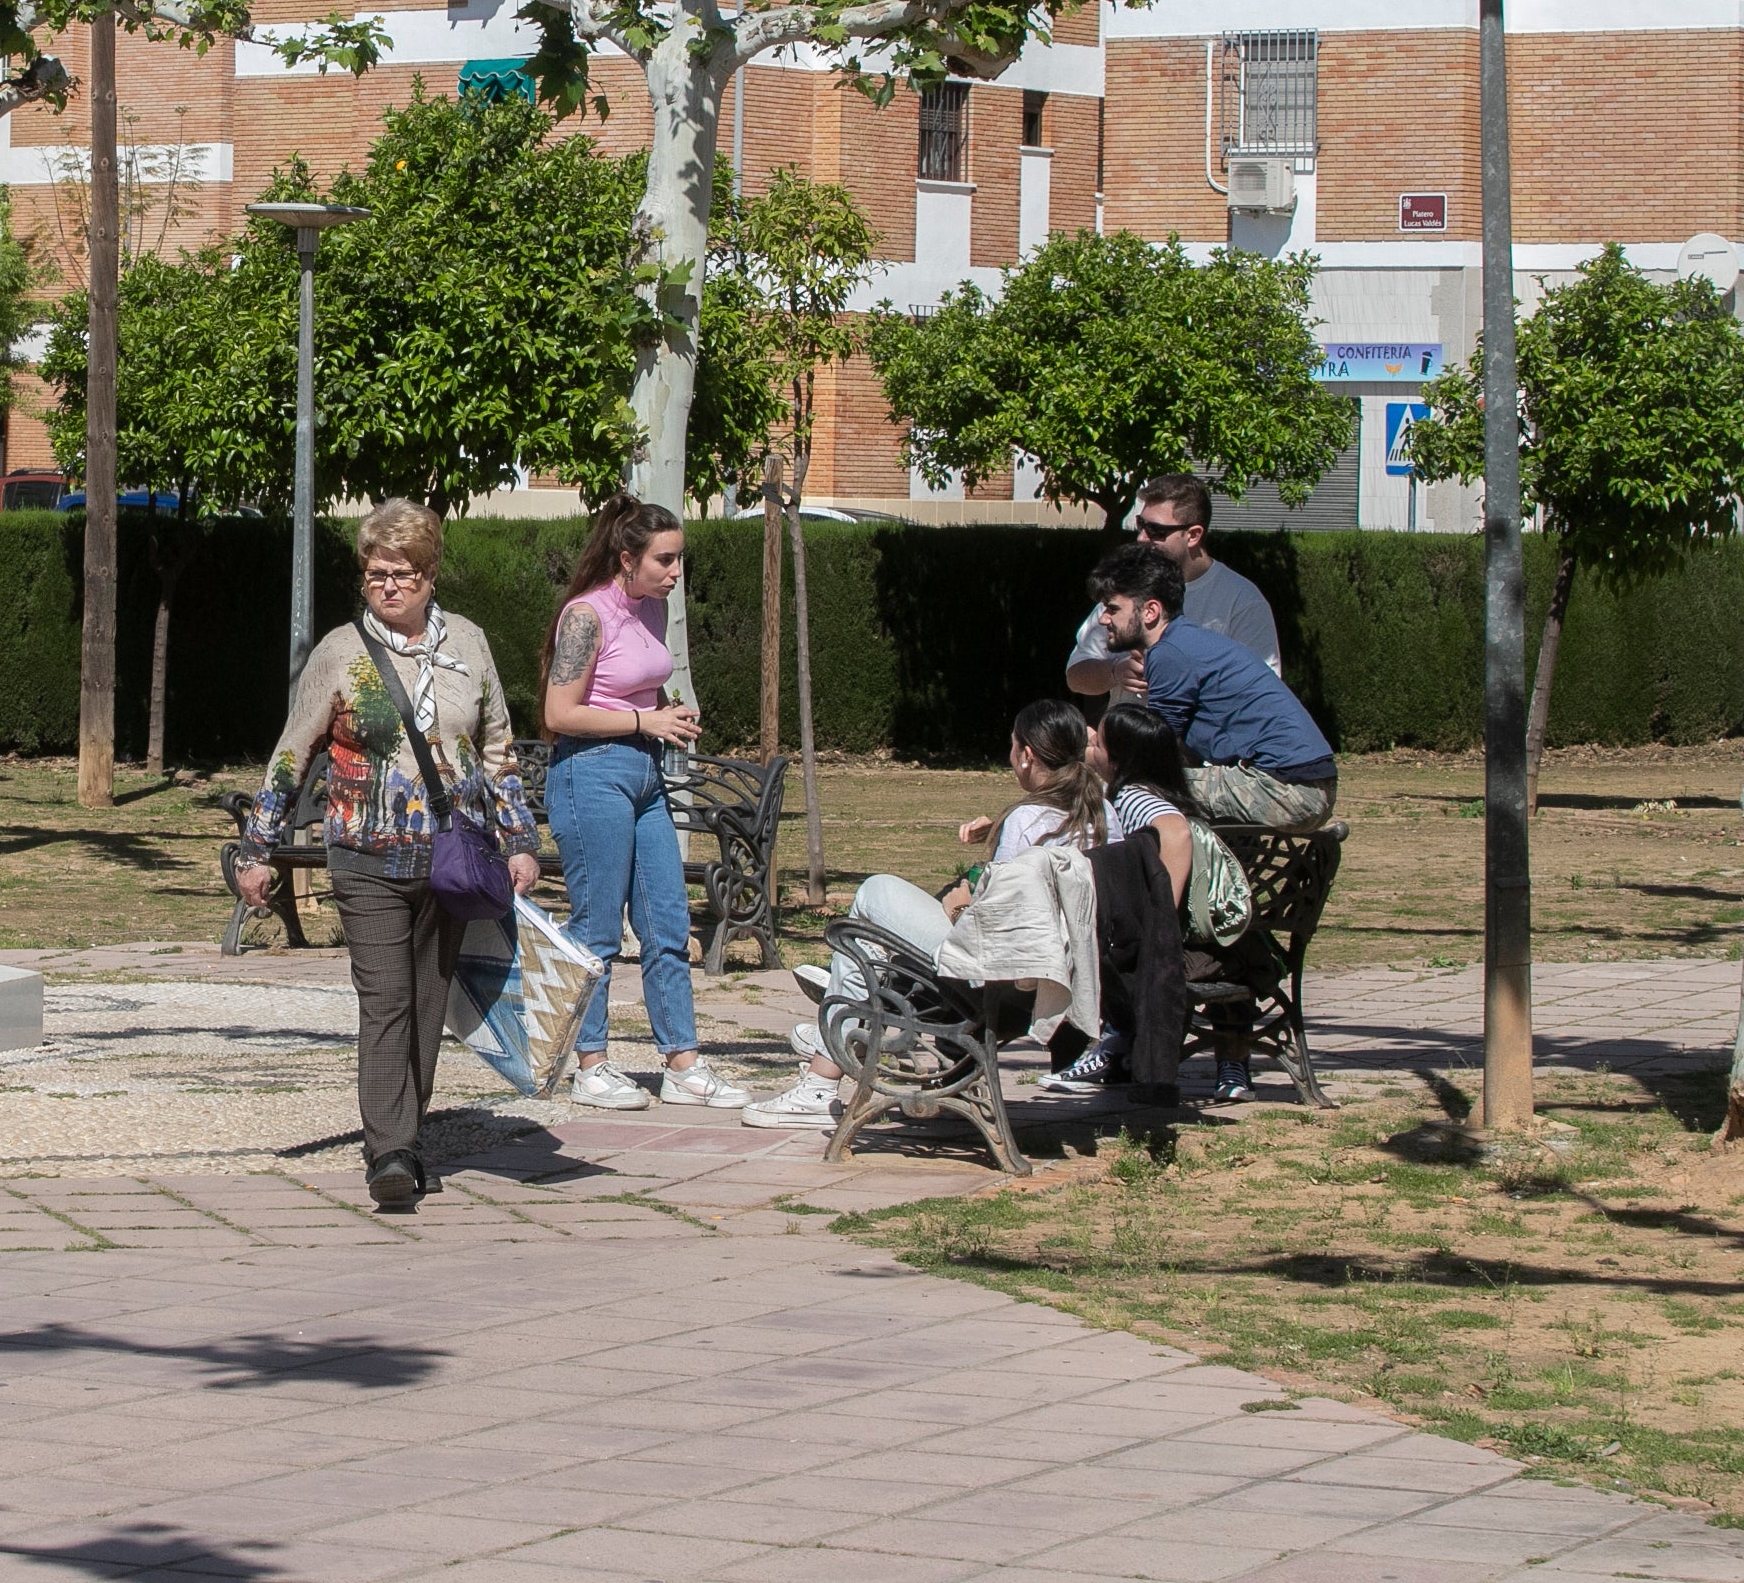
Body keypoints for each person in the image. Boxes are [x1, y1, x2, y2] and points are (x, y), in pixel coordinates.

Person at [236, 501, 542, 1209]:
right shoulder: (340, 653)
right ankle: (392, 1152)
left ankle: (406, 1129)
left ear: (430, 575)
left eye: (403, 574)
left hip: (451, 858)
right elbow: (293, 754)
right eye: (377, 575)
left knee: (429, 1004)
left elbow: (497, 748)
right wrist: (259, 847)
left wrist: (521, 841)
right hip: (365, 854)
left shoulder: (467, 644)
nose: (389, 587)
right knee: (387, 1001)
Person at [748, 701, 1106, 1129]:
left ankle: (827, 1068)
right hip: (1055, 982)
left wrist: (958, 904)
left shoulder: (1027, 820)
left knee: (874, 894)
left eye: (1012, 746)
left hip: (992, 981)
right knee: (870, 935)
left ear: (1026, 755)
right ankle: (847, 1020)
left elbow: (995, 922)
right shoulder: (1104, 815)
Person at [537, 496, 739, 1112]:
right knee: (597, 926)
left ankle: (683, 1063)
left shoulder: (652, 608)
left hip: (646, 776)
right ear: (628, 558)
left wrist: (666, 717)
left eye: (680, 560)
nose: (676, 573)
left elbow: (645, 689)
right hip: (590, 775)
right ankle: (590, 1064)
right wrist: (643, 719)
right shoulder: (585, 616)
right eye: (665, 560)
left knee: (667, 923)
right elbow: (558, 714)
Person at [1040, 703, 1240, 1100]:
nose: (1090, 744)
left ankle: (1112, 1046)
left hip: (1179, 947)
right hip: (1224, 943)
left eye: (1100, 742)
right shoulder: (1164, 787)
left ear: (1118, 760)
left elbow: (1176, 833)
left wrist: (1161, 913)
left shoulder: (1133, 797)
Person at [1088, 542, 1336, 829]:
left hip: (1287, 789)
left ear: (1150, 611)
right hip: (1304, 785)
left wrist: (1090, 751)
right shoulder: (1186, 642)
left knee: (1137, 786)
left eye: (1112, 608)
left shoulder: (1170, 653)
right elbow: (1179, 753)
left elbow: (1152, 758)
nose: (1104, 618)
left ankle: (1169, 872)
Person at [1066, 473, 1280, 701]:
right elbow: (1075, 675)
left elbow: (1263, 692)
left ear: (1193, 535)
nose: (1141, 538)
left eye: (1156, 531)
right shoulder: (1128, 585)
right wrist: (1115, 672)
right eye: (1141, 525)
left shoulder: (1241, 600)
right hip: (1125, 734)